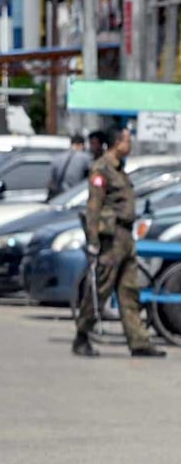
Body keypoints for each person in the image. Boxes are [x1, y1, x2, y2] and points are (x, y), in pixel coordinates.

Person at [73, 128, 166, 358]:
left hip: (125, 236)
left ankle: (139, 341)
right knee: (101, 288)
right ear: (117, 143)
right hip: (110, 239)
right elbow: (94, 206)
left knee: (129, 291)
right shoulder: (102, 168)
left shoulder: (120, 169)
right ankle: (82, 334)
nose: (130, 143)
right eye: (127, 140)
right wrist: (93, 240)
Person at [46, 133, 92, 200]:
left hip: (59, 197)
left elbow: (51, 180)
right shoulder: (85, 158)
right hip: (76, 196)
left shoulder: (57, 158)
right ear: (82, 145)